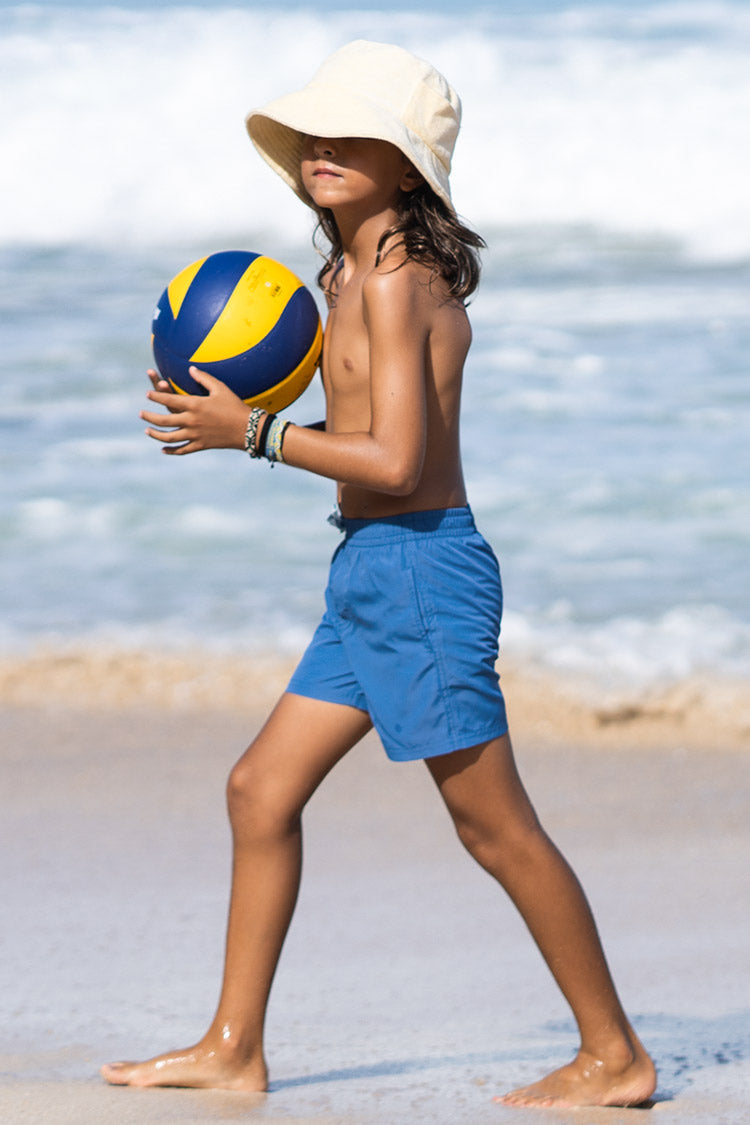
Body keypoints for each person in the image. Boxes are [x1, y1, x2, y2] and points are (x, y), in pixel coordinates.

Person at [101, 40, 657, 1108]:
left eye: (351, 134)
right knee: (259, 789)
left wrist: (253, 434)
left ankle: (615, 1052)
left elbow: (398, 463)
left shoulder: (400, 279)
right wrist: (237, 410)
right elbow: (351, 422)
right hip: (367, 571)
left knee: (494, 827)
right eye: (314, 131)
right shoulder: (344, 276)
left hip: (423, 574)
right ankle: (233, 1044)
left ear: (406, 165)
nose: (322, 147)